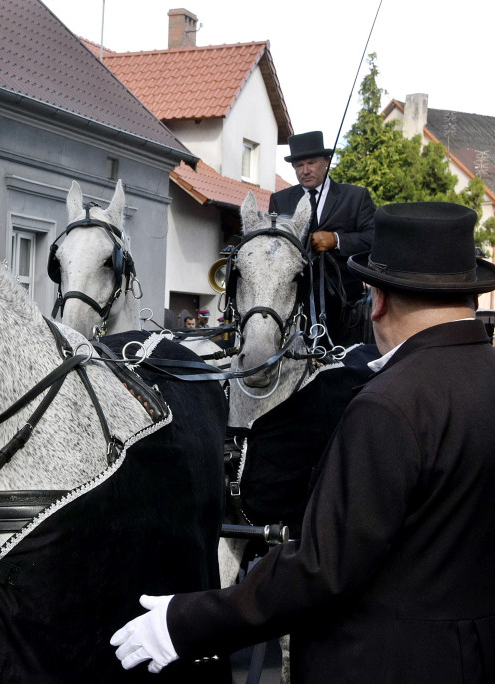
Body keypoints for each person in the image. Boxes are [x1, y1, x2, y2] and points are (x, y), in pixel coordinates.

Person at [111, 201, 495, 683]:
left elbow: (320, 568)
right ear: (470, 295)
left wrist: (182, 624)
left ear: (377, 300)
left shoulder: (388, 404)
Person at [269, 131, 375, 347]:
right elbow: (272, 245)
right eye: (299, 165)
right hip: (296, 306)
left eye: (311, 163)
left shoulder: (355, 197)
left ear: (326, 161)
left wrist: (337, 240)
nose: (305, 171)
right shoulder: (280, 200)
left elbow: (374, 239)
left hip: (346, 307)